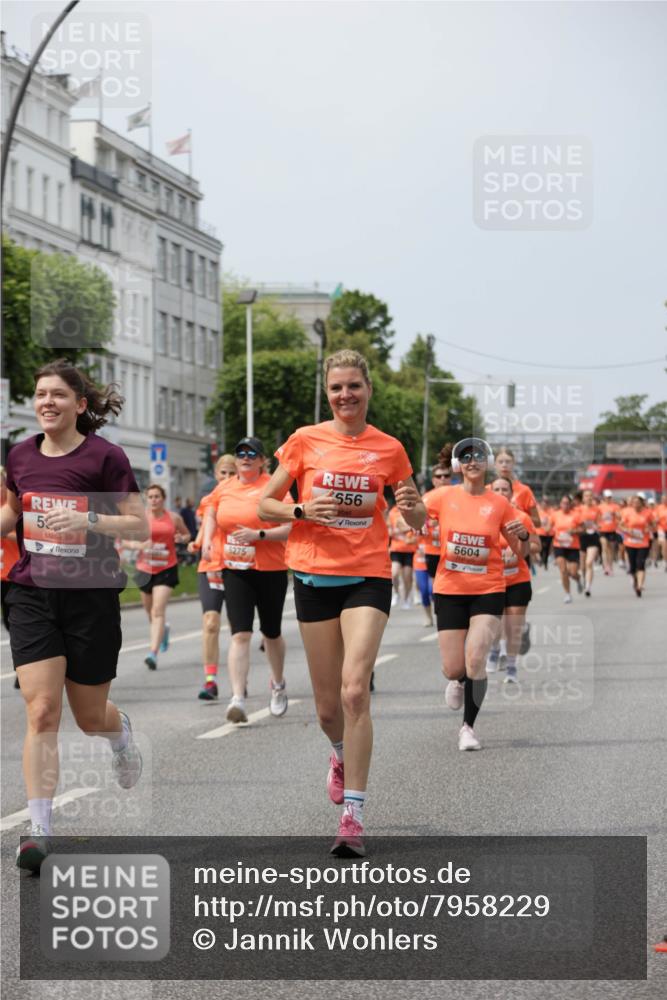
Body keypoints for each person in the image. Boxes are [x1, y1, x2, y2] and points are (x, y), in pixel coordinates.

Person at [258, 350, 424, 857]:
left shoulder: (390, 449)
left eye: (354, 385)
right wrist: (303, 508)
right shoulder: (305, 441)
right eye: (336, 388)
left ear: (368, 389)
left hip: (367, 576)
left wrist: (414, 508)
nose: (345, 395)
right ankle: (338, 754)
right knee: (329, 708)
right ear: (327, 394)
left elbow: (414, 517)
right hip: (312, 575)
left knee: (356, 692)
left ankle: (353, 816)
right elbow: (265, 503)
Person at [1, 359, 148, 872]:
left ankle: (119, 734)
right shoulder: (19, 455)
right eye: (40, 394)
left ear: (80, 405)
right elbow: (13, 514)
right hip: (32, 592)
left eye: (58, 395)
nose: (47, 402)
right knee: (41, 710)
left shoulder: (105, 457)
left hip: (90, 595)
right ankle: (39, 830)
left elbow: (140, 525)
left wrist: (87, 518)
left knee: (89, 718)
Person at [424, 438, 529, 751]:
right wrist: (412, 517)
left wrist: (522, 537)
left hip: (488, 589)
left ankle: (468, 728)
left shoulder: (500, 504)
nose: (473, 461)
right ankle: (457, 681)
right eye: (466, 456)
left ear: (488, 463)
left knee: (476, 659)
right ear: (458, 464)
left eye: (479, 455)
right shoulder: (441, 496)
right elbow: (413, 516)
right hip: (449, 589)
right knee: (454, 668)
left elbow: (520, 552)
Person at [203, 436, 292, 723]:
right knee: (240, 633)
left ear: (262, 460)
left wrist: (260, 535)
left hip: (270, 568)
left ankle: (277, 684)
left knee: (271, 632)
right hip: (235, 568)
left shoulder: (272, 487)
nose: (245, 457)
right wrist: (206, 540)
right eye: (241, 452)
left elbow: (291, 526)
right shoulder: (224, 487)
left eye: (252, 453)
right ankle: (237, 697)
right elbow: (211, 512)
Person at [125, 485, 191, 670]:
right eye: (150, 496)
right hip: (144, 568)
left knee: (157, 611)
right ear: (146, 499)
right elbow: (124, 540)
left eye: (157, 496)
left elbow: (187, 535)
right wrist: (139, 546)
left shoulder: (174, 518)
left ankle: (152, 653)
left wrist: (181, 539)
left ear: (163, 498)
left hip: (167, 568)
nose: (154, 500)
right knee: (149, 612)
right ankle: (163, 631)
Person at [188, 454, 237, 700]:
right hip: (210, 565)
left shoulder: (243, 497)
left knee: (241, 629)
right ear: (216, 475)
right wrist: (194, 544)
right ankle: (210, 680)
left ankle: (240, 679)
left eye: (232, 473)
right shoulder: (208, 500)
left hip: (239, 566)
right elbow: (205, 528)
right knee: (210, 623)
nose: (227, 478)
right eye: (223, 473)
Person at [488, 476, 539, 683]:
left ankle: (511, 667)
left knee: (513, 625)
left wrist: (518, 548)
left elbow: (536, 545)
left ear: (511, 493)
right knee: (494, 622)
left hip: (518, 578)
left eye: (505, 489)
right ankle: (495, 650)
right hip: (491, 580)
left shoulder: (521, 518)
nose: (501, 493)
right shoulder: (484, 516)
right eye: (497, 489)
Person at [493, 448, 540, 528]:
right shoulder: (487, 489)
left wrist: (519, 513)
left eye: (508, 462)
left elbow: (538, 523)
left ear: (513, 463)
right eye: (500, 462)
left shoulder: (525, 490)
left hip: (519, 538)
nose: (504, 465)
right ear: (495, 464)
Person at [618, 493, 654, 597]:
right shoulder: (628, 513)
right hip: (630, 543)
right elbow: (621, 525)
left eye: (638, 503)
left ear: (642, 503)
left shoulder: (647, 513)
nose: (635, 505)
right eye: (634, 503)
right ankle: (635, 580)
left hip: (643, 542)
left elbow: (653, 524)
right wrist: (627, 530)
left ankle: (639, 585)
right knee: (633, 567)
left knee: (640, 564)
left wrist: (649, 528)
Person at [551, 495, 584, 603]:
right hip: (559, 545)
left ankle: (578, 580)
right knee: (563, 570)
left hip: (572, 546)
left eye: (567, 503)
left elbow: (583, 529)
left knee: (573, 572)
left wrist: (573, 531)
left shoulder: (576, 515)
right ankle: (568, 594)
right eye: (563, 503)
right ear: (560, 504)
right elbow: (549, 527)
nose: (565, 505)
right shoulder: (555, 514)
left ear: (570, 504)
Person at [388, 503, 418, 609]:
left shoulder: (413, 510)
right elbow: (390, 528)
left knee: (407, 576)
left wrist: (407, 529)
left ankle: (406, 598)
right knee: (394, 573)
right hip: (396, 549)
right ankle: (396, 593)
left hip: (409, 549)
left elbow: (416, 528)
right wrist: (391, 531)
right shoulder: (393, 512)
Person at [578, 489, 601, 597]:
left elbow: (599, 523)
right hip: (582, 537)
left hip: (593, 537)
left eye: (591, 496)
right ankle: (584, 579)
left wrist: (597, 526)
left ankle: (588, 587)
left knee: (589, 562)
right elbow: (575, 523)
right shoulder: (578, 509)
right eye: (587, 496)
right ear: (583, 498)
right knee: (582, 566)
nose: (589, 498)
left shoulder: (597, 509)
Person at [598, 489, 620, 575]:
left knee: (610, 549)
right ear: (604, 497)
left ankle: (610, 566)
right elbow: (597, 517)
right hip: (602, 530)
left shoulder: (615, 506)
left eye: (610, 497)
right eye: (607, 497)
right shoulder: (600, 507)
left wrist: (615, 514)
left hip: (612, 530)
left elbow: (619, 516)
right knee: (604, 547)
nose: (608, 499)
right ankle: (605, 566)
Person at [536, 496, 554, 569]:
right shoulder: (538, 511)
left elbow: (552, 521)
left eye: (546, 503)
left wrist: (548, 527)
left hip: (549, 533)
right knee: (541, 547)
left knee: (547, 548)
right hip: (540, 532)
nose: (544, 505)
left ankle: (545, 562)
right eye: (543, 503)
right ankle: (541, 559)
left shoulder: (551, 511)